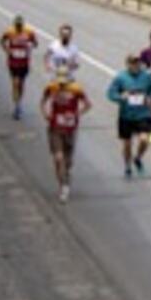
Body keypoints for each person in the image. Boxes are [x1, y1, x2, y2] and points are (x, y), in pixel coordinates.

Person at [40, 65, 91, 203]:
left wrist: (76, 114)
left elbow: (88, 104)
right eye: (60, 80)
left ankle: (65, 178)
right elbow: (43, 101)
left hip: (70, 129)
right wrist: (45, 113)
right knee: (58, 157)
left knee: (67, 162)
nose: (62, 84)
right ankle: (63, 186)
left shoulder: (76, 89)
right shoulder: (51, 87)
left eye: (64, 81)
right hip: (55, 128)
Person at [107, 54, 151, 179]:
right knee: (127, 144)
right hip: (126, 115)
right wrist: (120, 97)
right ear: (127, 64)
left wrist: (150, 97)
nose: (135, 65)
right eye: (132, 63)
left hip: (144, 114)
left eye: (137, 63)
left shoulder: (146, 76)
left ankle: (138, 158)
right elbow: (110, 93)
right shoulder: (120, 78)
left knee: (145, 139)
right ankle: (128, 166)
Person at [0, 15, 38, 119]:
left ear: (23, 24)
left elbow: (35, 43)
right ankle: (17, 107)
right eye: (17, 25)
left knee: (21, 84)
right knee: (15, 83)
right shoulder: (9, 32)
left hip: (24, 63)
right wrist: (7, 50)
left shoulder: (29, 32)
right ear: (14, 24)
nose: (18, 27)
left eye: (20, 25)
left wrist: (30, 46)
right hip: (13, 62)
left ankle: (19, 102)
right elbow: (2, 41)